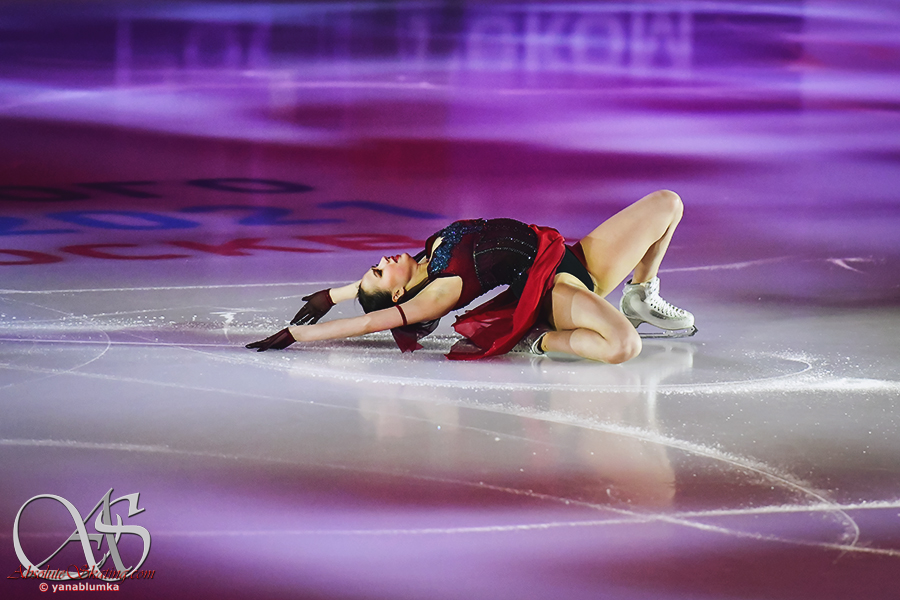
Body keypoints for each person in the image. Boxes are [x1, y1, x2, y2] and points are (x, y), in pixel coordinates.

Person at [246, 189, 695, 363]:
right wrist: (298, 335)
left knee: (668, 204)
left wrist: (331, 294)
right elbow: (368, 321)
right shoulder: (435, 294)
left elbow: (369, 296)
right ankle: (540, 339)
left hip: (570, 257)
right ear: (399, 293)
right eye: (379, 271)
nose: (381, 259)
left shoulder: (427, 257)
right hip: (553, 289)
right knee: (623, 346)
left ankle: (640, 294)